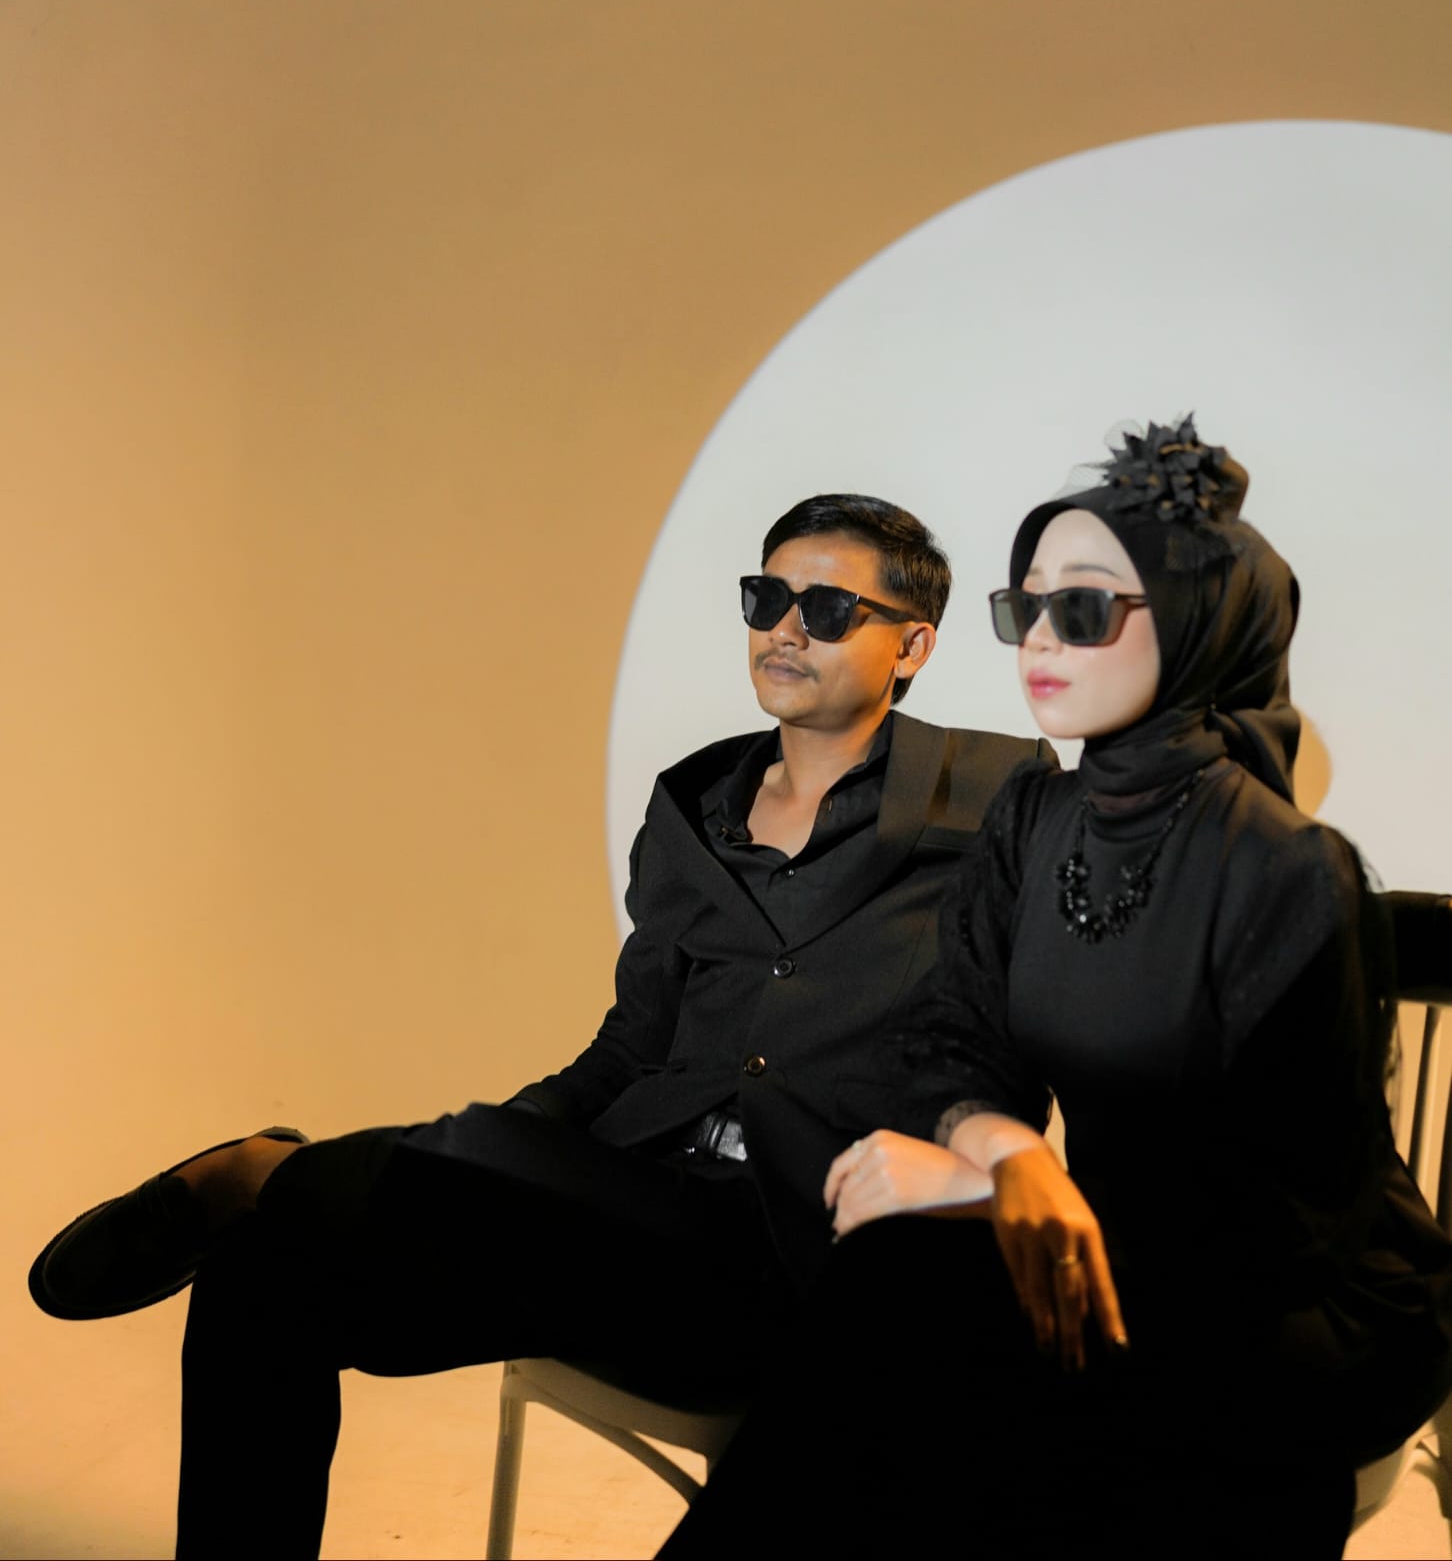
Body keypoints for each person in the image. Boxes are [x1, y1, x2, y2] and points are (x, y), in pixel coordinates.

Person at [27, 493, 1052, 1557]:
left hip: (813, 1253)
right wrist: (481, 1161)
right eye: (767, 598)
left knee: (331, 1202)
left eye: (829, 609)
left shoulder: (999, 794)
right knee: (262, 1269)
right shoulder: (692, 805)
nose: (786, 629)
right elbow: (631, 1049)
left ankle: (268, 1170)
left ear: (911, 646)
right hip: (632, 1223)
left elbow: (1032, 1024)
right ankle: (294, 1191)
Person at [659, 421, 1452, 1558]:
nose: (1038, 637)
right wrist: (1008, 1157)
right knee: (893, 1296)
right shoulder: (1037, 817)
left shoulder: (1284, 864)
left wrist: (983, 1195)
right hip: (1102, 1249)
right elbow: (960, 1042)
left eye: (1080, 609)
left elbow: (1284, 1228)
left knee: (926, 1362)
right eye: (1024, 606)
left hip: (1299, 1305)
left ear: (1192, 621)